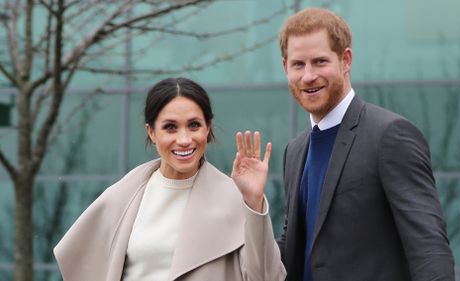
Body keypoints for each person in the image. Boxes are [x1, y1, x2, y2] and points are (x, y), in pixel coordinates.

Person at [277, 7, 455, 281]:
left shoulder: (390, 135)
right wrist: (252, 206)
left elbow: (428, 248)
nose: (308, 76)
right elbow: (292, 254)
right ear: (285, 67)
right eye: (298, 64)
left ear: (345, 60)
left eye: (320, 62)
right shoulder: (295, 151)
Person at [53, 77, 286, 281]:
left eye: (194, 125)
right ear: (151, 132)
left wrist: (254, 202)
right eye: (170, 127)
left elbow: (267, 278)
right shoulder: (123, 197)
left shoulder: (235, 199)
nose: (184, 139)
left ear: (207, 128)